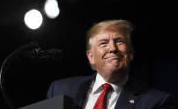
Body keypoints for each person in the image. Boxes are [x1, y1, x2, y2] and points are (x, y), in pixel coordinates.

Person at [46, 19, 174, 109]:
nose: (112, 48)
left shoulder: (156, 102)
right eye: (103, 43)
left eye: (119, 41)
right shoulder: (60, 90)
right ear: (91, 57)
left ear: (130, 53)